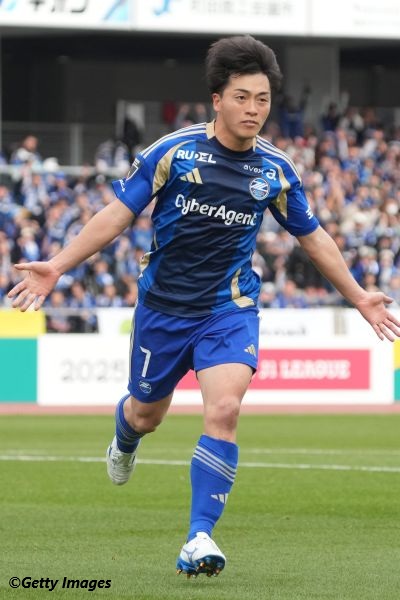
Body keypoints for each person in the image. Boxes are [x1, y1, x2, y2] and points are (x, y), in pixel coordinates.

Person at [8, 35, 400, 579]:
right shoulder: (174, 152)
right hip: (163, 309)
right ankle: (125, 435)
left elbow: (312, 236)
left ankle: (199, 536)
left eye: (262, 99)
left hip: (229, 308)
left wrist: (358, 296)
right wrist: (57, 265)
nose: (253, 109)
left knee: (225, 410)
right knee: (146, 414)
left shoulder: (276, 170)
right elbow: (117, 214)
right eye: (242, 97)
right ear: (217, 99)